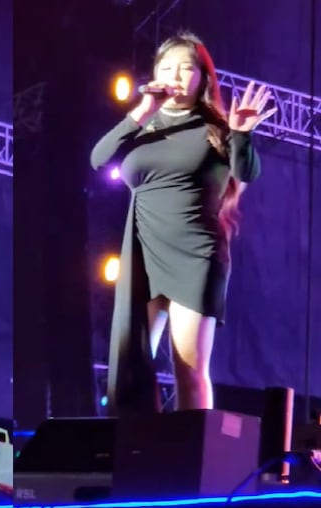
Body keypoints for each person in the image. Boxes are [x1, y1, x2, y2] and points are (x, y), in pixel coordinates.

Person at [90, 32, 276, 416]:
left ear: (202, 78)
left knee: (188, 370)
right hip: (144, 251)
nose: (175, 75)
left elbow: (247, 172)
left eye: (186, 68)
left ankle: (197, 452)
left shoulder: (217, 127)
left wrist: (242, 133)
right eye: (167, 67)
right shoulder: (143, 125)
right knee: (131, 365)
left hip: (196, 254)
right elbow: (98, 158)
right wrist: (142, 111)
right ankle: (139, 447)